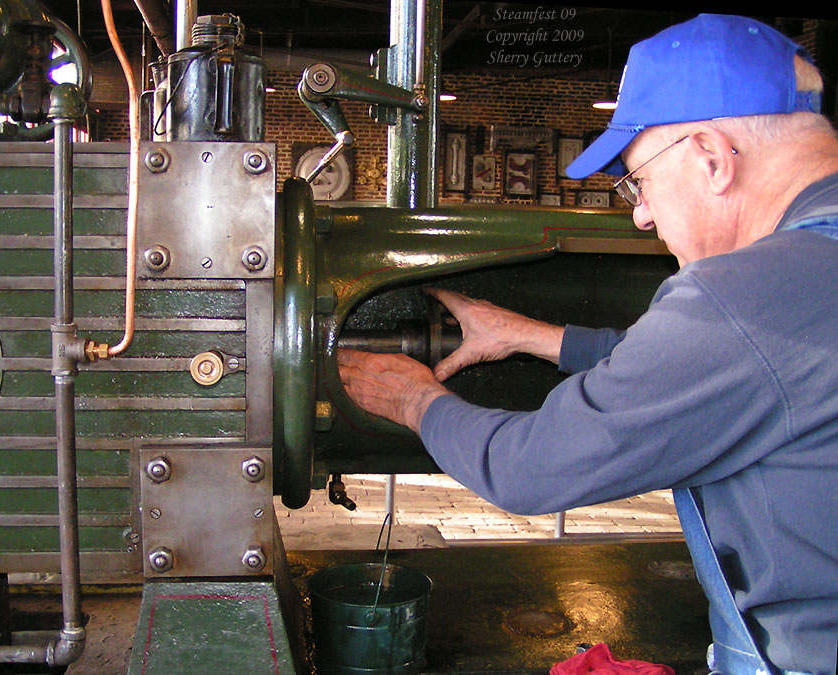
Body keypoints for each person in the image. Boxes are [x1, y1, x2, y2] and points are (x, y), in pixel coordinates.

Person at [338, 13, 838, 675]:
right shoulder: (797, 282)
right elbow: (736, 373)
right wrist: (531, 336)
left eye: (639, 180)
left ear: (712, 158)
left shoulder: (744, 292)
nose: (642, 214)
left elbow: (531, 467)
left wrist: (414, 398)